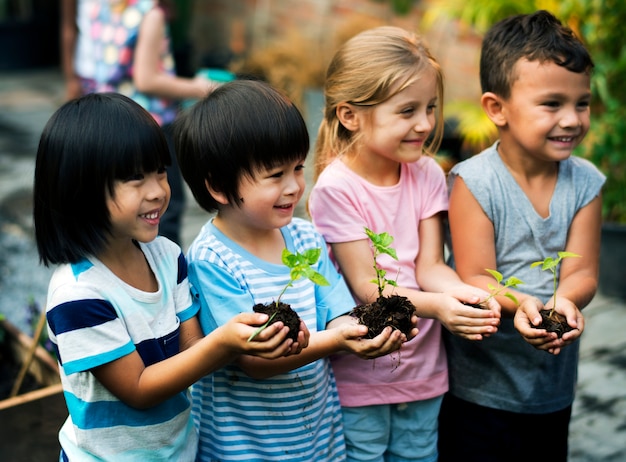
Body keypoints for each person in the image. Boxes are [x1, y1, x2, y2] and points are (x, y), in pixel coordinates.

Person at [33, 93, 298, 461]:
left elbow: (190, 350)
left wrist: (252, 337)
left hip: (178, 451)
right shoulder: (79, 294)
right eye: (134, 178)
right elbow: (139, 389)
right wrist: (225, 343)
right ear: (80, 188)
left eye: (160, 170)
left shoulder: (166, 257)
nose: (158, 190)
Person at [173, 79, 414, 461]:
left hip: (314, 436)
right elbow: (254, 361)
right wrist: (338, 341)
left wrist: (358, 331)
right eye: (275, 175)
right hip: (247, 447)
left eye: (298, 168)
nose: (294, 187)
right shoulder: (211, 260)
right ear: (219, 187)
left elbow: (335, 312)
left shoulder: (304, 238)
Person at [307, 26, 499, 462]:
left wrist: (466, 296)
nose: (426, 124)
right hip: (363, 373)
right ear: (350, 115)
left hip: (424, 369)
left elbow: (431, 265)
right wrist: (441, 308)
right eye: (408, 110)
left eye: (430, 107)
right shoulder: (337, 189)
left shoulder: (427, 173)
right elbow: (368, 290)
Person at [438, 10, 605, 461]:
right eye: (552, 104)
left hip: (551, 386)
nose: (571, 119)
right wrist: (523, 305)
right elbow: (474, 277)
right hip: (477, 388)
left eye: (582, 103)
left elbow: (583, 271)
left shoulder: (585, 182)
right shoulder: (474, 182)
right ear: (497, 108)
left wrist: (564, 302)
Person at [59, 0, 215, 245]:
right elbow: (146, 80)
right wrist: (201, 88)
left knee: (121, 203)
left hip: (110, 122)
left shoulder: (100, 8)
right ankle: (166, 274)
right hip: (150, 124)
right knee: (167, 206)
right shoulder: (150, 14)